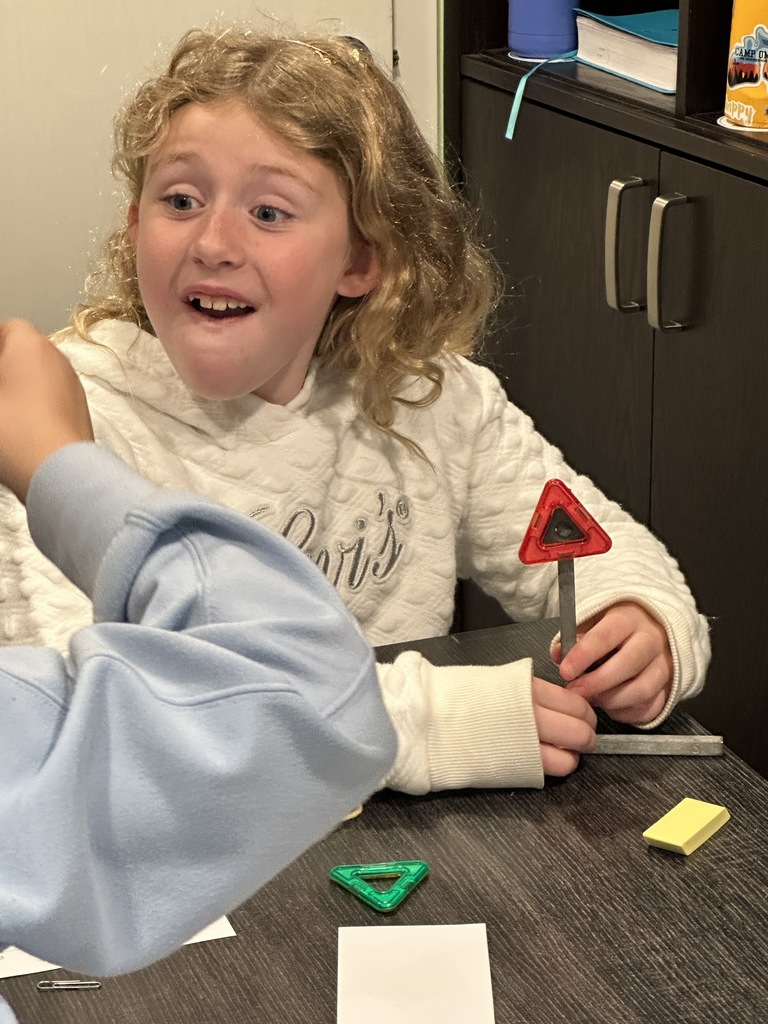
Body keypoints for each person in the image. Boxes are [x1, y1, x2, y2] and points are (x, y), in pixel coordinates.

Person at [0, 26, 710, 794]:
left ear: (361, 258)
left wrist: (642, 625)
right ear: (136, 227)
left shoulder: (429, 399)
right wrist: (421, 726)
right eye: (180, 200)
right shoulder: (53, 422)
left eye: (268, 212)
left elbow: (604, 556)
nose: (213, 242)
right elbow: (86, 720)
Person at [0, 320, 396, 1024]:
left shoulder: (435, 393)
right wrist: (56, 459)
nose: (217, 258)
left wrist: (618, 610)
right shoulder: (78, 391)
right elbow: (294, 689)